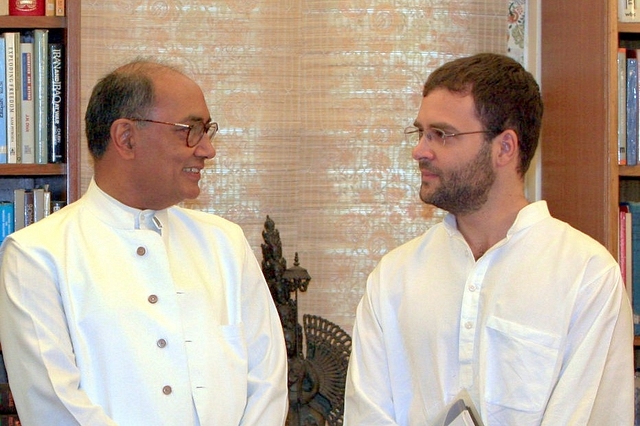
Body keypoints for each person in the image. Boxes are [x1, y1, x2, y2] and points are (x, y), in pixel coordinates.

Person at [344, 53, 634, 425]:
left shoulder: (586, 277)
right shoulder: (394, 277)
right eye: (420, 133)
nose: (420, 150)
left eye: (442, 135)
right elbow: (368, 414)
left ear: (505, 147)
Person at [0, 59, 288, 425]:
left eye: (207, 131)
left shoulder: (225, 243)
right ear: (126, 137)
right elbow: (53, 406)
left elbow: (268, 382)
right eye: (191, 130)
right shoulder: (36, 256)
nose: (207, 150)